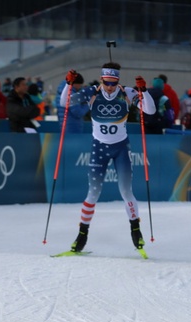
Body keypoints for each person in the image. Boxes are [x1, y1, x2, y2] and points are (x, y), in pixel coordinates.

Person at [59, 63, 155, 254]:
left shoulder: (126, 92)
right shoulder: (92, 92)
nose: (110, 87)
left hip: (121, 148)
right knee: (93, 193)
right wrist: (68, 84)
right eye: (107, 82)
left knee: (126, 191)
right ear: (102, 79)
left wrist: (144, 91)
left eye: (113, 83)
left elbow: (150, 110)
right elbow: (65, 103)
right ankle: (82, 236)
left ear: (118, 81)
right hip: (99, 148)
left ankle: (136, 231)